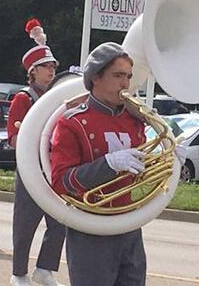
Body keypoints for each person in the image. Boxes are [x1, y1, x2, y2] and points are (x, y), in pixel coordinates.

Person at [50, 42, 152, 286]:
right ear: (96, 77)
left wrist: (164, 158)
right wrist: (108, 164)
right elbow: (62, 181)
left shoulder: (135, 122)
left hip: (128, 226)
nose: (125, 84)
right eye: (118, 76)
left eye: (128, 76)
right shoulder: (73, 123)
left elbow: (141, 175)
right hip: (90, 227)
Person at [9, 18, 65, 286]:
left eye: (53, 66)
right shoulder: (23, 98)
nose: (51, 71)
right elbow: (13, 137)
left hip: (53, 167)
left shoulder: (56, 97)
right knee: (25, 224)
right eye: (45, 66)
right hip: (32, 167)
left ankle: (45, 268)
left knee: (59, 221)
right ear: (32, 71)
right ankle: (18, 273)